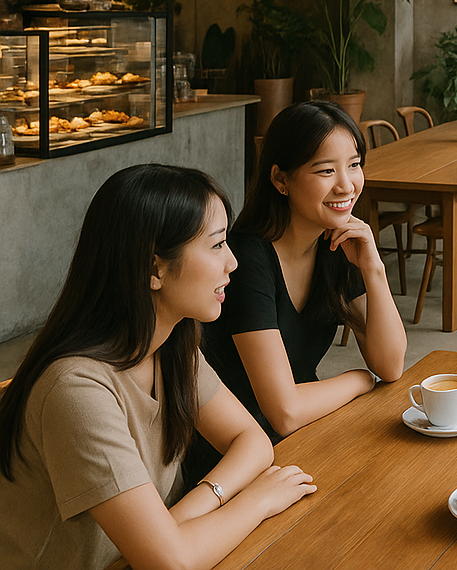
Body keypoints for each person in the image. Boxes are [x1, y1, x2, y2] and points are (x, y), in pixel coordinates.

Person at [0, 164, 316, 570]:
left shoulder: (172, 344)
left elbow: (251, 440)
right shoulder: (76, 390)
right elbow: (172, 562)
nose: (233, 263)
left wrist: (181, 518)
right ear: (154, 269)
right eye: (217, 245)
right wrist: (256, 501)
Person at [187, 101, 406, 482]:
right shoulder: (246, 259)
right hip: (233, 461)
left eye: (354, 165)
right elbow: (283, 411)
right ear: (280, 179)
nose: (346, 184)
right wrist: (358, 379)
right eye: (325, 170)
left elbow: (390, 365)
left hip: (301, 437)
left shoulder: (337, 242)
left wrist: (374, 269)